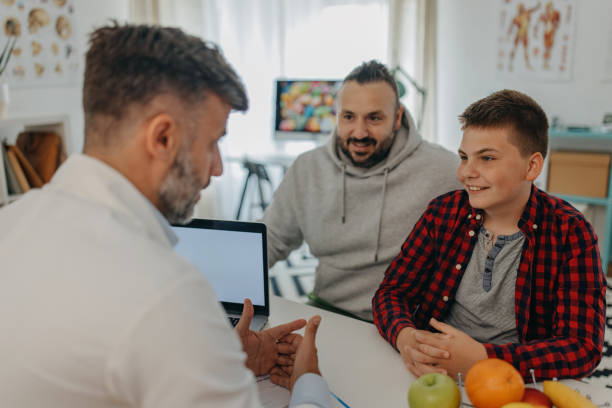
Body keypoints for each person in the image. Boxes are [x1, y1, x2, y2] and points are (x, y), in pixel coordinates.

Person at [0, 23, 330, 407]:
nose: (219, 167)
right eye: (212, 143)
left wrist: (224, 360)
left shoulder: (11, 224)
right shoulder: (167, 295)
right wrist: (309, 382)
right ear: (162, 138)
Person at [373, 89, 606, 381]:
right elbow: (392, 292)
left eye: (487, 158)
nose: (466, 172)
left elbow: (582, 348)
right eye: (463, 157)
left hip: (510, 378)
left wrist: (483, 359)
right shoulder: (442, 213)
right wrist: (405, 337)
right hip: (430, 369)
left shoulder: (571, 232)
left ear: (531, 166)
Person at [261, 61, 460, 322]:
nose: (360, 132)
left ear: (397, 117)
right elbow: (273, 238)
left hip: (406, 323)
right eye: (348, 117)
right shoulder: (307, 168)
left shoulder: (444, 170)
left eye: (374, 118)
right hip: (328, 312)